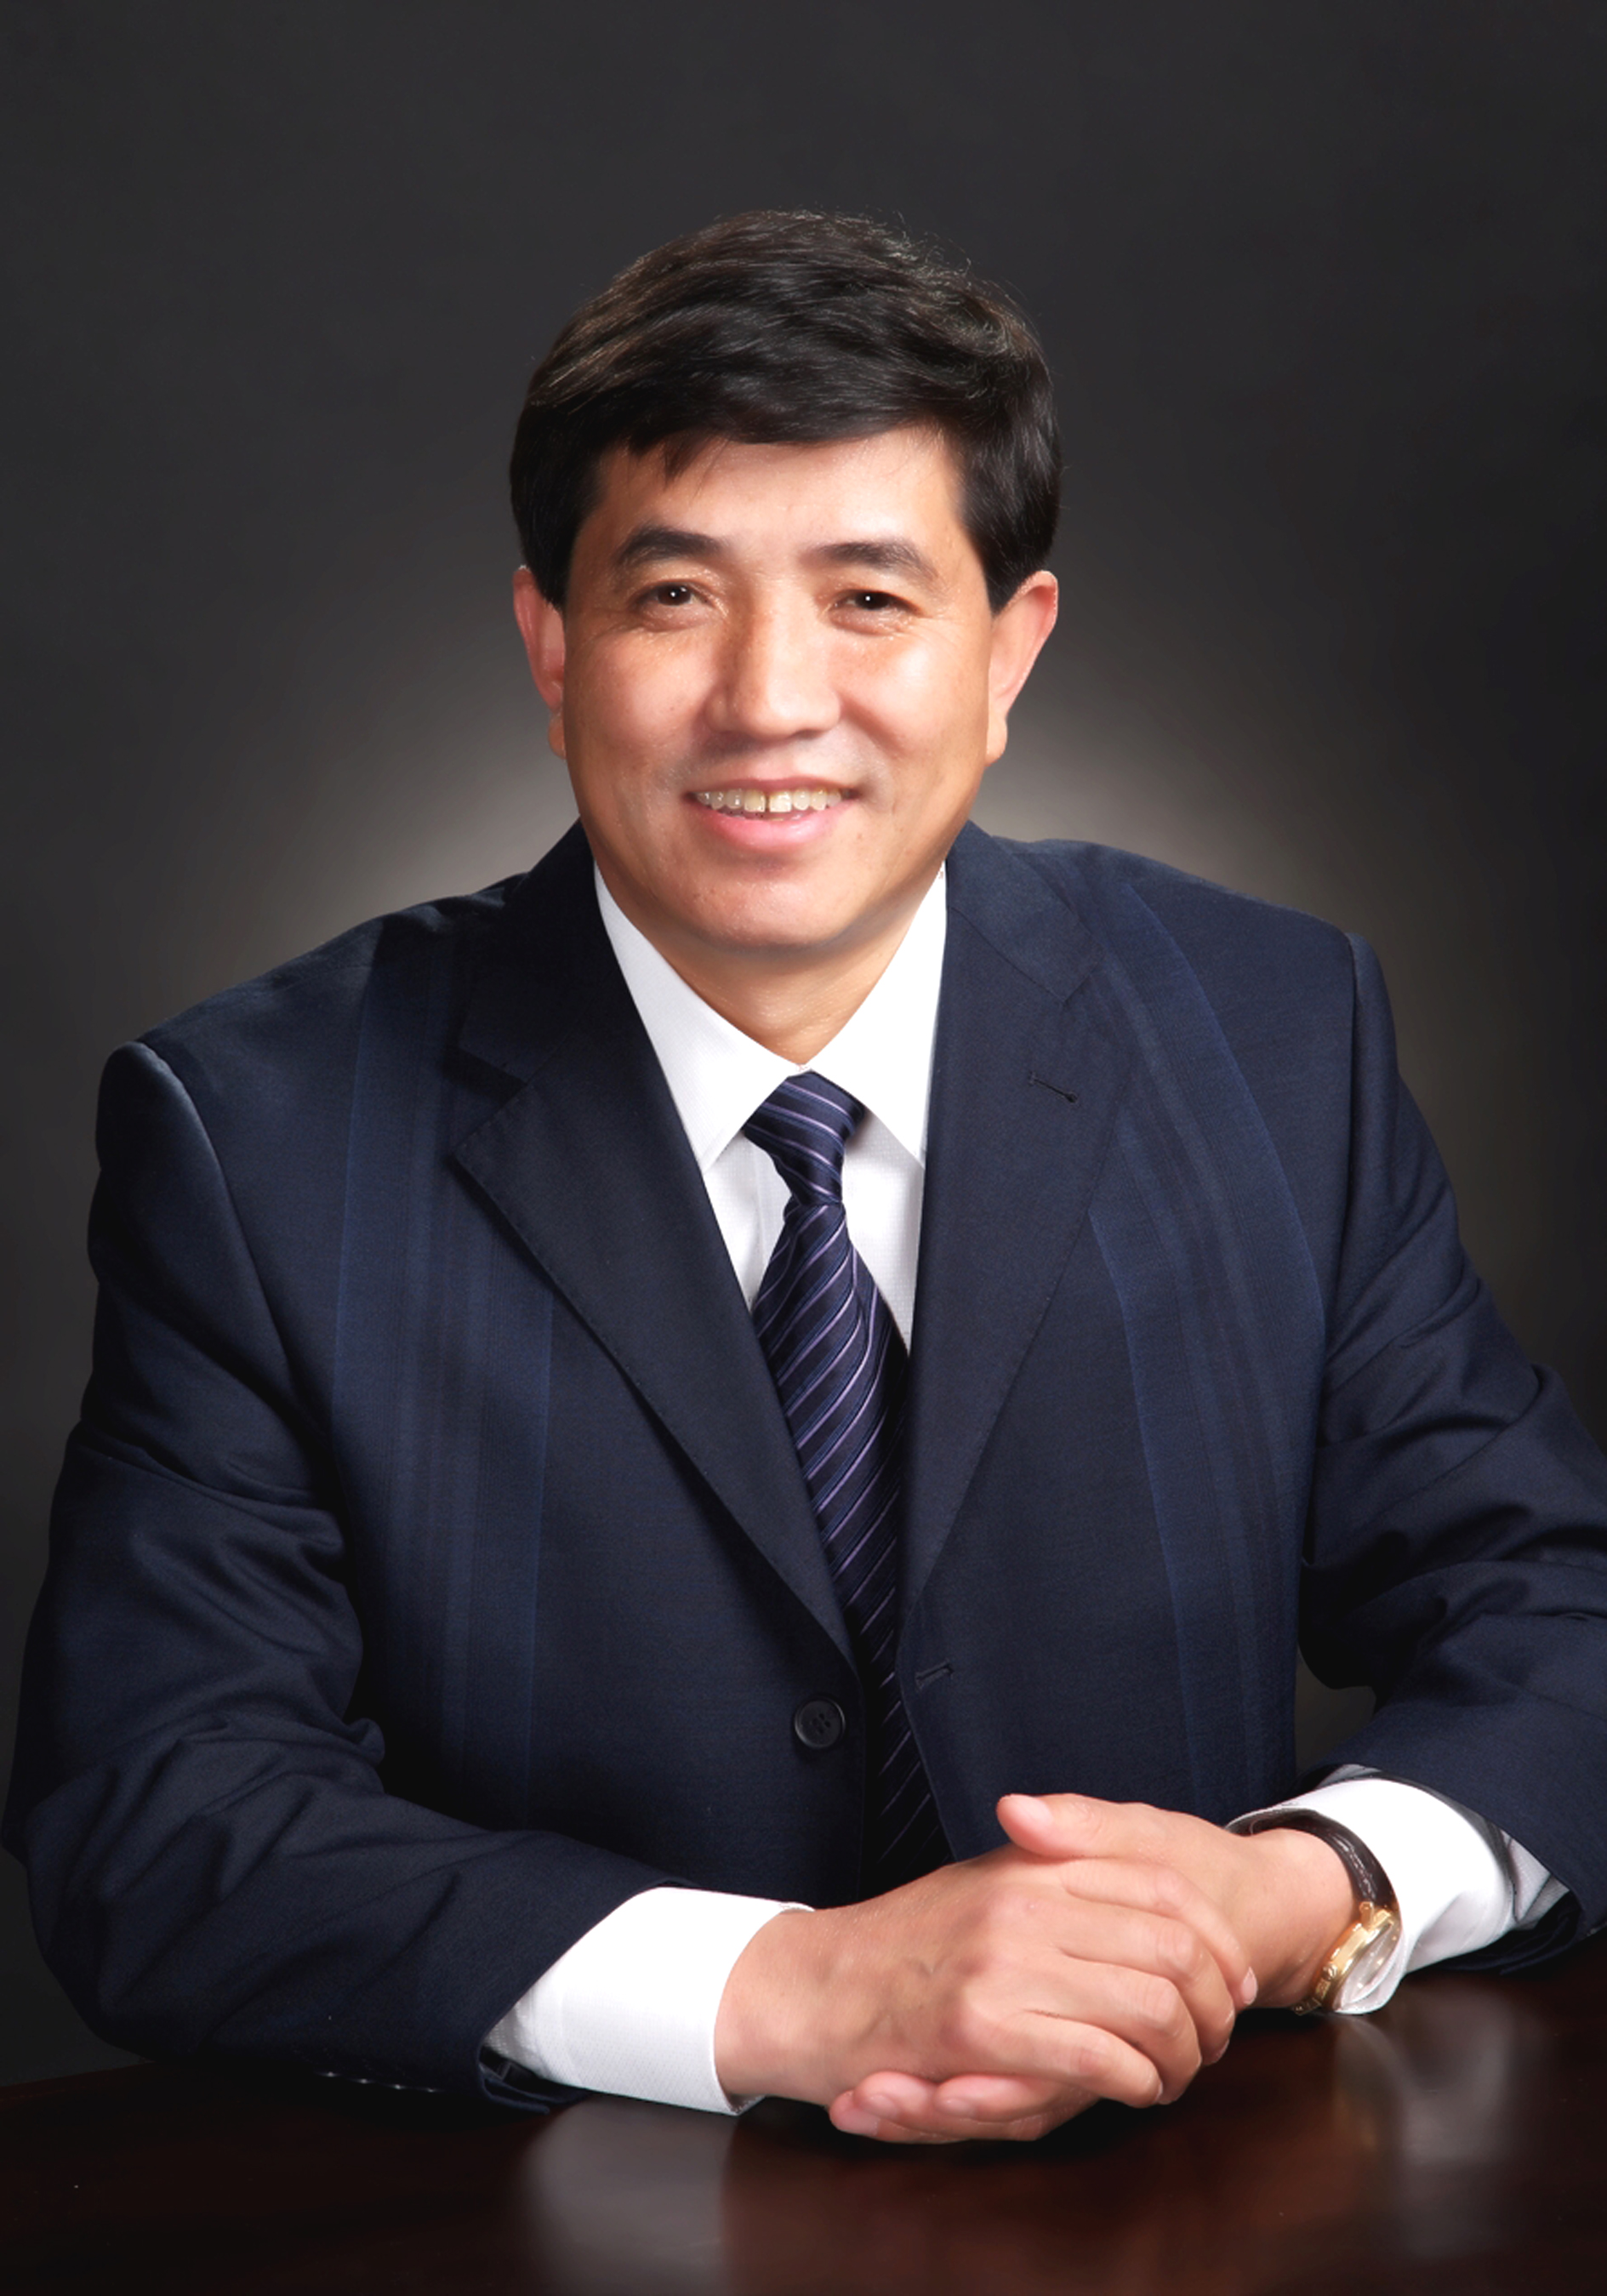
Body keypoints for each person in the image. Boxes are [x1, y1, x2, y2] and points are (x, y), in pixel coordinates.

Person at [8, 211, 1605, 2148]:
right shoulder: (255, 1133)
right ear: (551, 646)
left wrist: (1298, 1894)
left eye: (869, 598)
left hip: (1194, 2199)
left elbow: (1555, 1612)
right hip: (552, 2222)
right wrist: (784, 1990)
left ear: (1009, 652)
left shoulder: (1274, 1034)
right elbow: (157, 1816)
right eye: (675, 595)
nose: (770, 698)